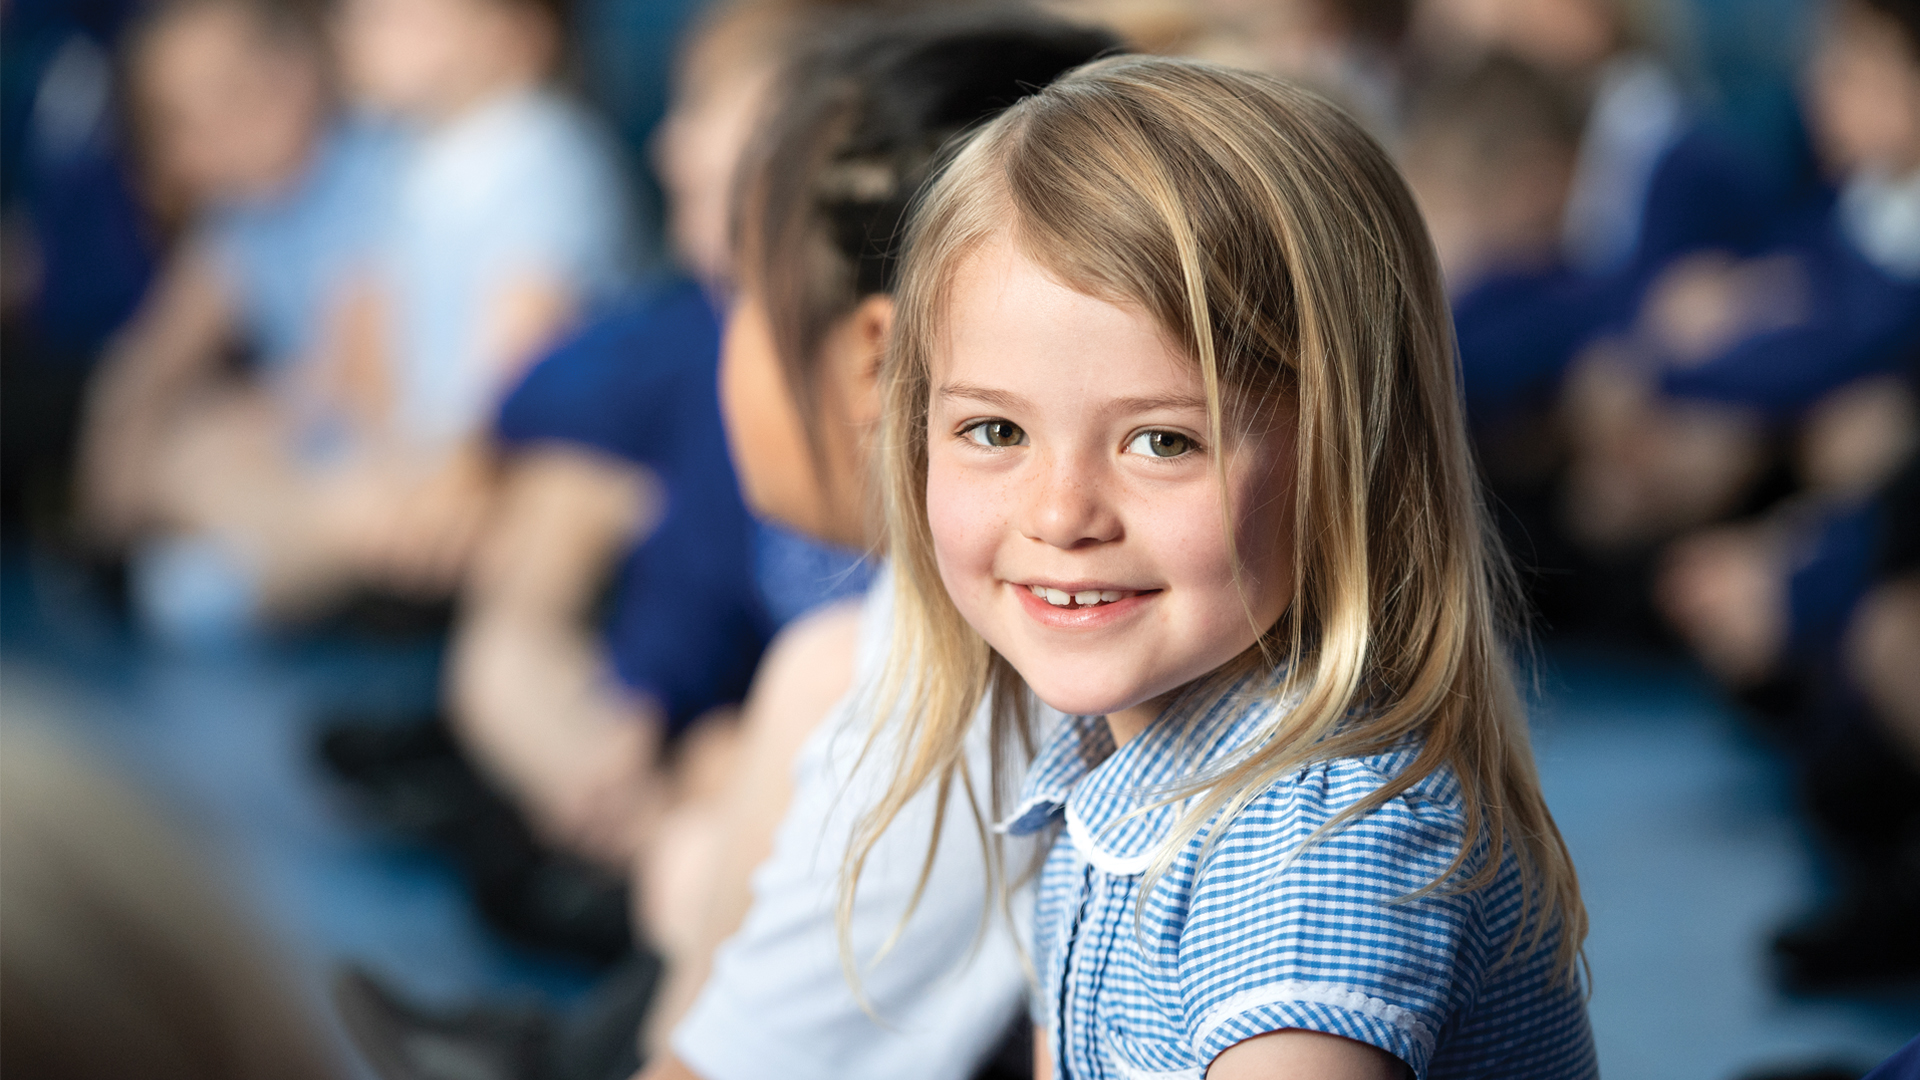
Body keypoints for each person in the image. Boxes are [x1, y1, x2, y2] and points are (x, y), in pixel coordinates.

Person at [857, 56, 1595, 1078]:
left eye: (1163, 442)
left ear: (1351, 462)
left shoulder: (1318, 850)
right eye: (994, 429)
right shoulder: (1102, 775)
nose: (1061, 512)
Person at [74, 0, 397, 637]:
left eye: (234, 98)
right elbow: (154, 357)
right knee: (183, 552)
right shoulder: (241, 219)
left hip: (374, 466)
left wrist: (261, 416)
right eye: (179, 124)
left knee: (203, 477)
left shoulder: (378, 175)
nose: (204, 140)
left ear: (301, 72)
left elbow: (365, 389)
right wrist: (126, 444)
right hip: (295, 476)